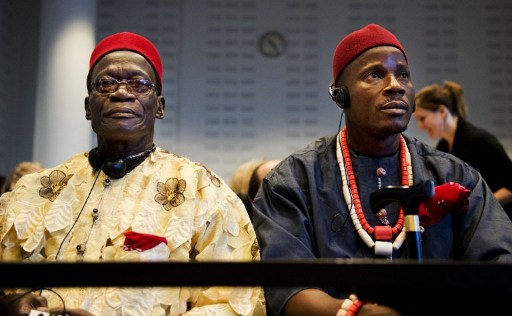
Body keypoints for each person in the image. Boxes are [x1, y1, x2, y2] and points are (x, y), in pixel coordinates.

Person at [251, 23, 512, 316]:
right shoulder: (292, 181)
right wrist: (357, 314)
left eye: (403, 75)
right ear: (341, 95)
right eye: (375, 75)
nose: (395, 85)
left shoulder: (458, 176)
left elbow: (500, 268)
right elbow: (286, 289)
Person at [0, 32, 264, 316]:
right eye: (106, 83)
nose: (121, 92)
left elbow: (237, 303)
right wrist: (11, 304)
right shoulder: (30, 193)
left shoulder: (204, 192)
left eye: (139, 84)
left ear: (159, 107)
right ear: (88, 107)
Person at [414, 80, 512, 217]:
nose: (420, 126)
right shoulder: (443, 147)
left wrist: (476, 205)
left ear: (442, 111)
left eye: (422, 118)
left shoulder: (480, 140)